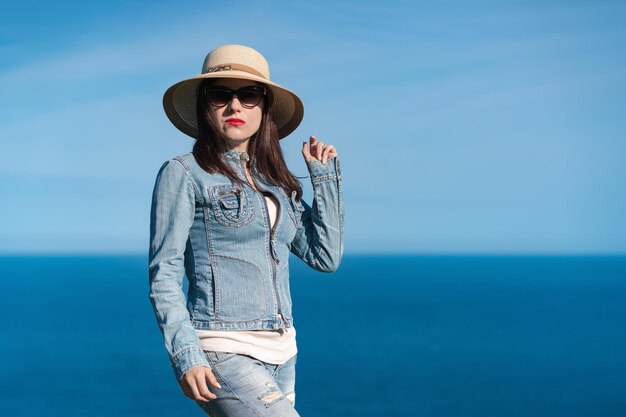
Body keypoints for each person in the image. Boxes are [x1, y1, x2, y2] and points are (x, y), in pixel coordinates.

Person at [148, 44, 344, 416]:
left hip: (284, 351)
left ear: (265, 107)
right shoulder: (183, 173)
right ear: (205, 107)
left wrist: (324, 179)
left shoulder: (275, 183)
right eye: (221, 94)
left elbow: (326, 256)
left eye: (248, 94)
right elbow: (164, 273)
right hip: (222, 349)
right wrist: (186, 354)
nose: (235, 105)